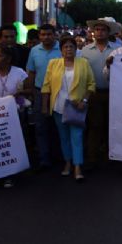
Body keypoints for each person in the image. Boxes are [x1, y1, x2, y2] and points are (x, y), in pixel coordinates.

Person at [41, 35, 95, 182]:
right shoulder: (53, 63)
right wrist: (45, 106)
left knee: (76, 137)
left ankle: (77, 166)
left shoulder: (83, 63)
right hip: (58, 107)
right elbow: (46, 86)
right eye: (65, 47)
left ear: (76, 49)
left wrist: (84, 100)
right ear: (61, 50)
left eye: (71, 46)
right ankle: (67, 163)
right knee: (64, 138)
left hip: (77, 107)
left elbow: (91, 84)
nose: (68, 49)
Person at [0, 44, 30, 188]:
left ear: (8, 59)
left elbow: (30, 90)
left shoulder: (19, 72)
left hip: (13, 115)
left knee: (10, 145)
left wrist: (20, 93)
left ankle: (10, 174)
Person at [82, 17, 122, 169]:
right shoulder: (84, 50)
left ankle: (110, 155)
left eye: (103, 30)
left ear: (108, 32)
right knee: (94, 125)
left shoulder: (117, 50)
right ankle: (92, 157)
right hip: (92, 93)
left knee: (111, 125)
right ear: (93, 32)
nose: (99, 32)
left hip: (114, 93)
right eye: (97, 30)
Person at [26, 24, 62, 171]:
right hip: (40, 93)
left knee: (58, 127)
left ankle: (59, 157)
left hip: (59, 93)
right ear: (39, 36)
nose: (46, 37)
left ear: (55, 35)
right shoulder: (34, 51)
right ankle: (44, 158)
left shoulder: (62, 49)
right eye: (43, 35)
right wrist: (32, 92)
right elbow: (31, 72)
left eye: (49, 34)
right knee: (41, 127)